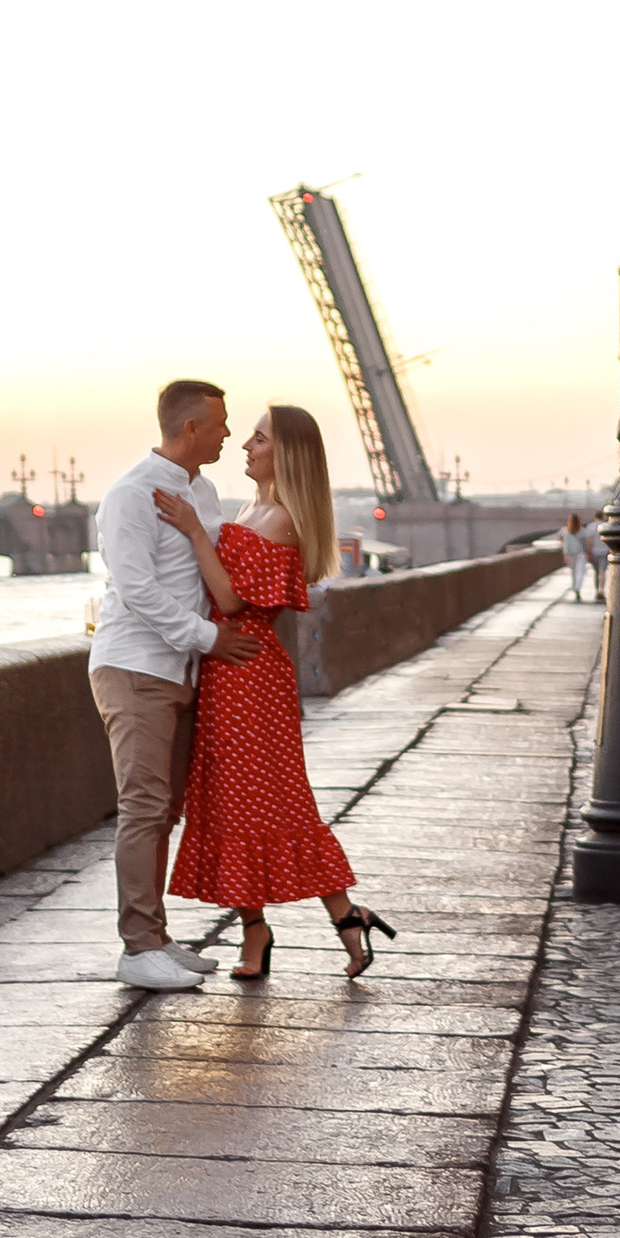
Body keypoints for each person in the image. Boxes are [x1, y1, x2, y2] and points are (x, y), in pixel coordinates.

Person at [155, 401, 394, 983]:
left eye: (258, 439)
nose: (245, 445)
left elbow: (234, 602)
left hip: (252, 673)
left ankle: (343, 914)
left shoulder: (282, 517)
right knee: (228, 802)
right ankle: (256, 928)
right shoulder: (249, 507)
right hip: (224, 669)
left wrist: (191, 529)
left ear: (285, 454)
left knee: (276, 801)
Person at [90, 379, 263, 988]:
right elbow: (135, 590)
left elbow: (209, 568)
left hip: (179, 668)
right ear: (190, 428)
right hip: (135, 665)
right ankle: (136, 949)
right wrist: (211, 640)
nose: (227, 433)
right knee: (142, 806)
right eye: (220, 423)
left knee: (165, 809)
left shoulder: (205, 490)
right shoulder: (132, 493)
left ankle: (156, 937)